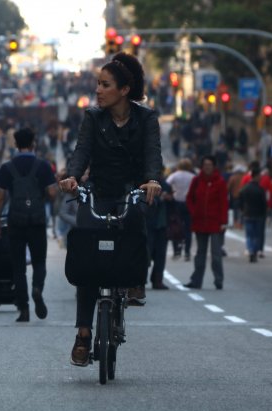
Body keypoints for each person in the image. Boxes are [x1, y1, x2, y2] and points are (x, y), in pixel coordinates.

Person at [59, 52, 162, 367]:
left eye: (105, 85)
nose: (98, 91)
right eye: (97, 85)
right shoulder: (93, 117)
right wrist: (73, 176)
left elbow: (152, 154)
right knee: (88, 260)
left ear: (124, 90)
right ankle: (83, 333)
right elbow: (82, 151)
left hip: (131, 190)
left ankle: (135, 281)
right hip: (99, 192)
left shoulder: (146, 119)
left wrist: (153, 181)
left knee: (136, 224)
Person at [0, 127, 57, 322]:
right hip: (37, 220)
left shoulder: (7, 167)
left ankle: (24, 309)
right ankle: (37, 287)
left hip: (16, 221)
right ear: (33, 143)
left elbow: (0, 197)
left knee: (18, 266)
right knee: (39, 262)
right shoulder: (43, 166)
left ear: (16, 144)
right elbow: (53, 193)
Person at [184, 155, 228, 290]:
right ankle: (196, 280)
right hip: (199, 222)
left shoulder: (220, 182)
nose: (207, 167)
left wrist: (223, 221)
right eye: (205, 164)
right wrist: (194, 212)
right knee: (200, 254)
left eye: (210, 164)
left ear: (214, 166)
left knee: (216, 255)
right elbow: (189, 198)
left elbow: (224, 203)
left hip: (215, 223)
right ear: (202, 166)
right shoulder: (196, 180)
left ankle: (218, 280)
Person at [166, 158, 195, 260]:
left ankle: (176, 251)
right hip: (188, 203)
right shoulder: (192, 177)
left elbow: (167, 184)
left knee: (175, 226)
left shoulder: (174, 175)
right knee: (188, 228)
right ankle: (187, 252)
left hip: (176, 203)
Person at [238, 167, 267, 262]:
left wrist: (242, 209)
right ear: (256, 176)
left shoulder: (245, 188)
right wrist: (264, 213)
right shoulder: (260, 189)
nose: (261, 178)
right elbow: (264, 203)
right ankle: (254, 251)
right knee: (256, 235)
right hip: (258, 214)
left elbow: (240, 200)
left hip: (247, 213)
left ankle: (250, 249)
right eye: (259, 176)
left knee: (249, 234)